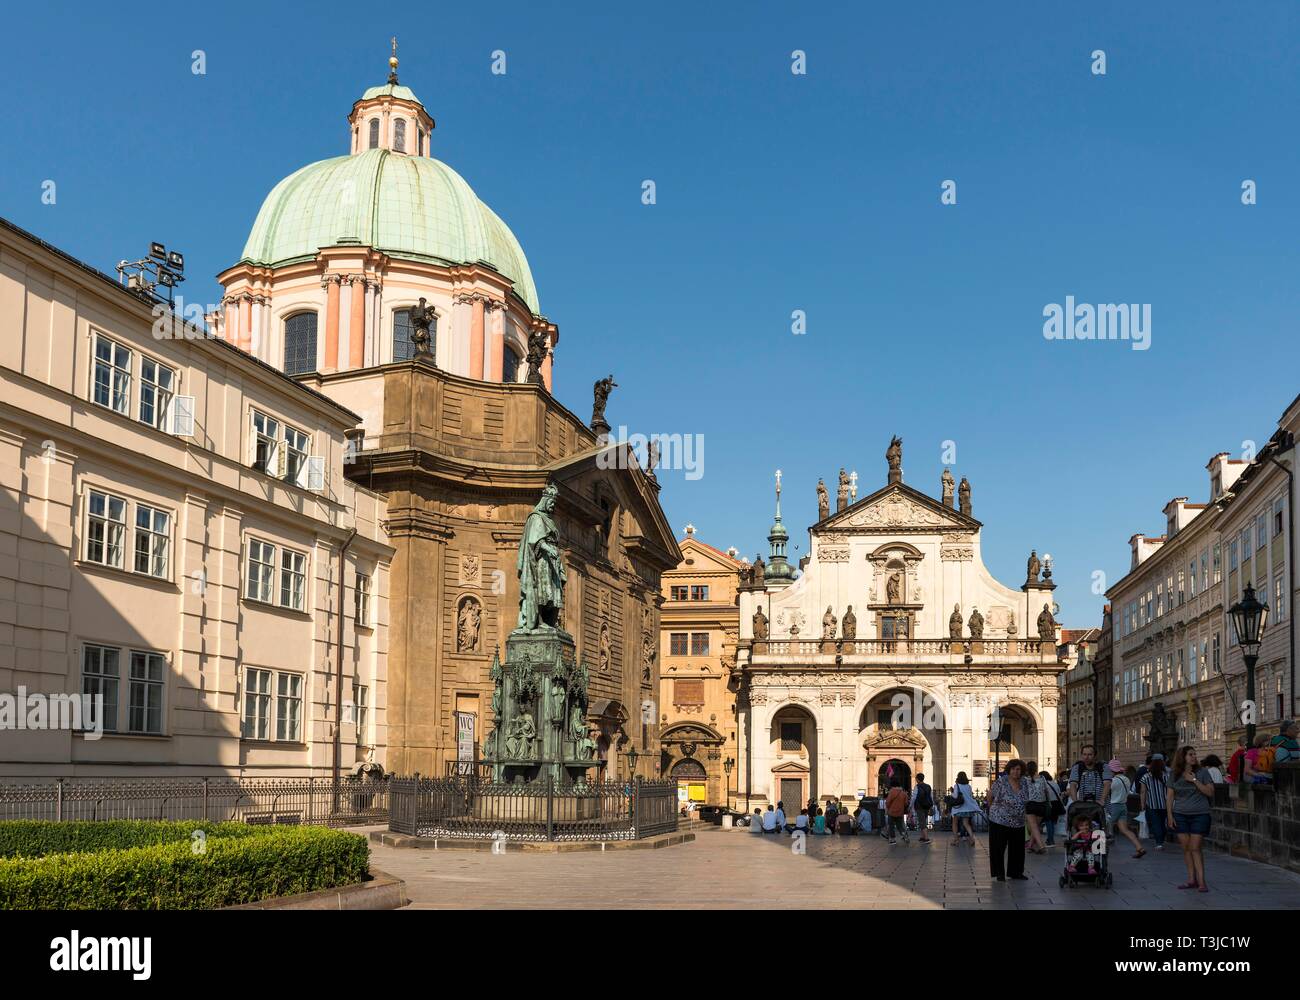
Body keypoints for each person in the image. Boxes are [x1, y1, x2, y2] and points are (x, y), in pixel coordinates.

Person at [1167, 744, 1215, 892]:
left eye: (1194, 754)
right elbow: (1169, 796)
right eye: (1190, 755)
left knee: (1195, 847)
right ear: (1183, 757)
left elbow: (1210, 792)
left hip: (1200, 814)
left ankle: (1202, 882)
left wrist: (1194, 780)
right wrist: (1169, 815)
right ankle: (1191, 879)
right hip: (1180, 814)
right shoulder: (1174, 774)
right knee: (1186, 848)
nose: (1194, 757)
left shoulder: (1202, 772)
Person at [986, 758, 1030, 880]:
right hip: (999, 820)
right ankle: (999, 873)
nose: (1016, 772)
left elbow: (1026, 799)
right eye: (1013, 769)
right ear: (1009, 770)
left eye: (1018, 769)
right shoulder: (1001, 782)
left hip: (1018, 821)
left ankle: (1016, 872)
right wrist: (993, 810)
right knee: (998, 847)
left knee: (1017, 848)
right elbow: (990, 796)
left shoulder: (1024, 782)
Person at [1106, 759, 1144, 858]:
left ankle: (1102, 849)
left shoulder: (1113, 781)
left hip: (1114, 806)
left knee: (1104, 825)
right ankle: (1139, 847)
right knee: (1125, 830)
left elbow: (1106, 792)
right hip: (1123, 806)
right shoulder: (1126, 779)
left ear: (1112, 770)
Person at [1139, 754, 1169, 851]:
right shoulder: (1167, 775)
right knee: (1163, 823)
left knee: (1156, 823)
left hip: (1152, 804)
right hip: (1165, 804)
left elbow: (1143, 792)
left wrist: (1142, 804)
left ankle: (1159, 843)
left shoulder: (1146, 776)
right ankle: (1162, 839)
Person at [1022, 758, 1048, 853]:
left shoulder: (1025, 779)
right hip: (1042, 805)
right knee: (1035, 826)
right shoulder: (1042, 778)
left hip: (1031, 804)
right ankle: (1030, 846)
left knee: (1033, 826)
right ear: (1036, 768)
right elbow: (1046, 791)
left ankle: (1041, 846)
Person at [949, 771, 979, 844]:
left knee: (955, 823)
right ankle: (972, 838)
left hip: (958, 808)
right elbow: (970, 796)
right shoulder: (969, 786)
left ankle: (956, 840)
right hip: (967, 808)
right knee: (966, 824)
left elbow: (955, 796)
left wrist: (951, 791)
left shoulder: (957, 785)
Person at [1039, 770, 1064, 847]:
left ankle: (1050, 840)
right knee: (1052, 823)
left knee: (1048, 822)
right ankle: (1050, 839)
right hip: (1056, 804)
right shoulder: (1054, 783)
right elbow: (1059, 793)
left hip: (1049, 804)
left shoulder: (1043, 784)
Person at [910, 772, 935, 844]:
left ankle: (926, 838)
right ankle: (922, 836)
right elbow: (931, 796)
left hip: (919, 806)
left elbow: (914, 797)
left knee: (922, 821)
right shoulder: (928, 786)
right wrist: (931, 805)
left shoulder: (917, 787)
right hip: (927, 806)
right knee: (923, 820)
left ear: (917, 779)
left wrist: (910, 806)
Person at [885, 779, 909, 844]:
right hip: (900, 812)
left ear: (892, 785)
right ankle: (904, 834)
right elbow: (906, 803)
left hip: (892, 812)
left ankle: (893, 839)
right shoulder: (903, 793)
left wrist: (888, 807)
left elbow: (887, 802)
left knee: (891, 826)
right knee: (899, 826)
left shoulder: (892, 792)